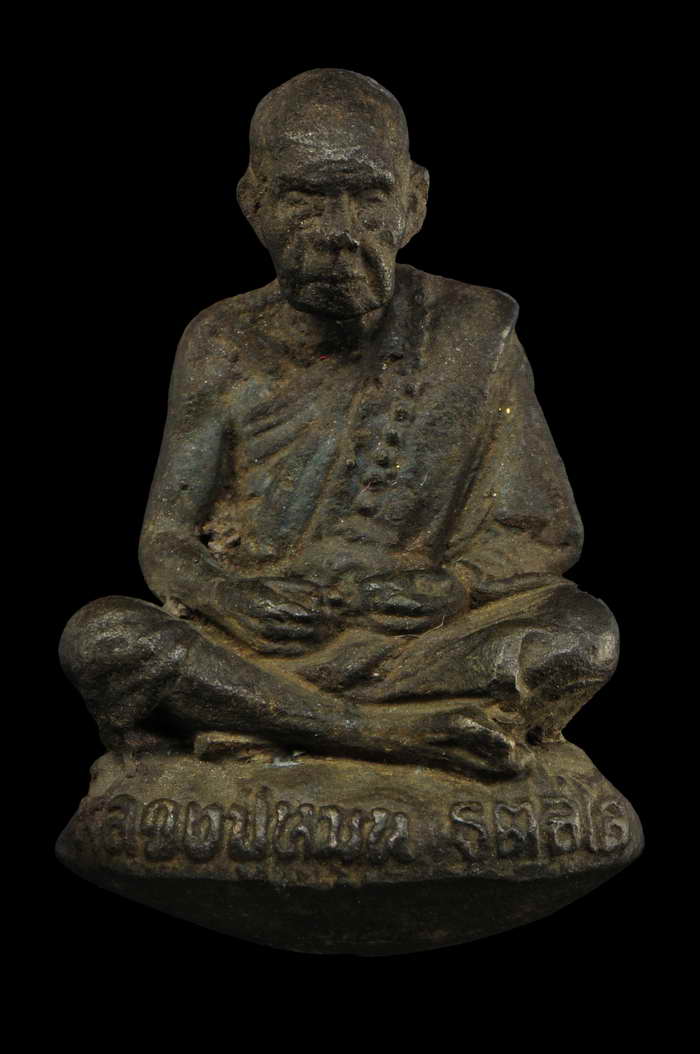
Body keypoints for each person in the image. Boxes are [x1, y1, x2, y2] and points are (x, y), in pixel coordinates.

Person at [59, 69, 619, 779]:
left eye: (369, 197)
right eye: (304, 198)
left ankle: (263, 721)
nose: (339, 232)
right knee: (104, 637)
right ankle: (391, 734)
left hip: (413, 641)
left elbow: (543, 529)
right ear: (254, 203)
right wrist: (228, 596)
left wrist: (455, 587)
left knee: (583, 634)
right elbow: (167, 540)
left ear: (414, 201)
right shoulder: (220, 342)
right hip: (266, 639)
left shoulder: (473, 332)